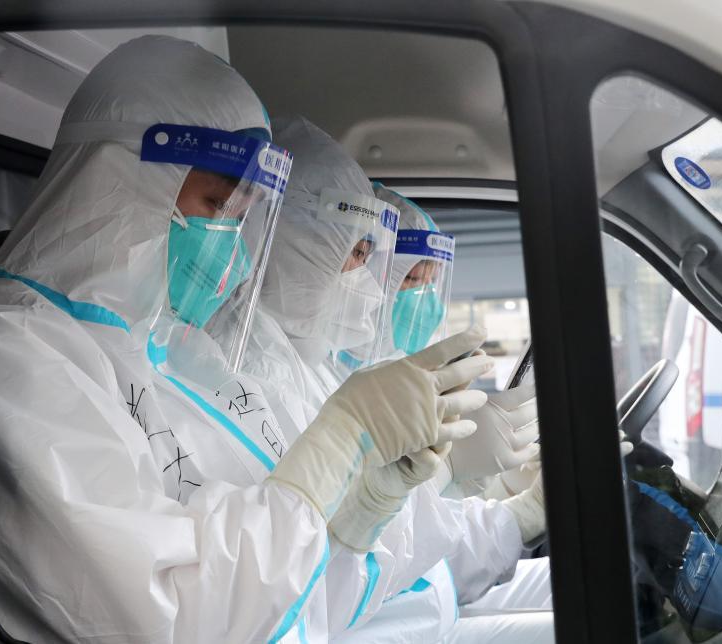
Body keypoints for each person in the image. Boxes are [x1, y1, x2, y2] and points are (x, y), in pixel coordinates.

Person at [0, 36, 490, 643]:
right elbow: (173, 616)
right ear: (119, 177)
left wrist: (357, 520)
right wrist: (339, 443)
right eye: (218, 203)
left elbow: (295, 609)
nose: (232, 245)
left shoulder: (174, 353)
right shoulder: (9, 354)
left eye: (241, 217)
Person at [236, 117, 552, 642]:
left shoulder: (314, 374)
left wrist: (475, 485)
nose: (389, 295)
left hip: (413, 604)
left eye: (429, 283)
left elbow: (398, 546)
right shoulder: (296, 383)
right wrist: (494, 504)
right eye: (406, 278)